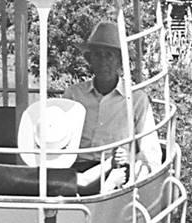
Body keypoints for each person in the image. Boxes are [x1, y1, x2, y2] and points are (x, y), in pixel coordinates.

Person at [63, 20, 162, 188]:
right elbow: (59, 141)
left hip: (117, 170)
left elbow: (150, 152)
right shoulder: (73, 95)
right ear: (90, 60)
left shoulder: (136, 99)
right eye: (97, 55)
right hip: (77, 168)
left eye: (109, 55)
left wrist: (130, 159)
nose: (103, 62)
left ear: (119, 61)